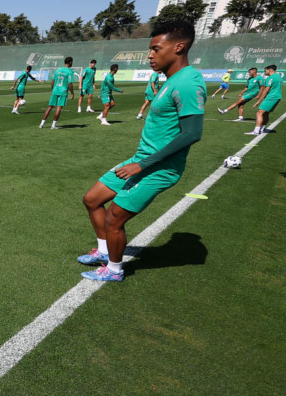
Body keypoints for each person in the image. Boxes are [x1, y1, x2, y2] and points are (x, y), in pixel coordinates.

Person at [78, 19, 206, 282]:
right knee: (92, 199)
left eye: (156, 49)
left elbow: (192, 133)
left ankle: (114, 270)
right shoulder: (170, 80)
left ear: (179, 47)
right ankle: (104, 252)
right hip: (141, 160)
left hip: (158, 168)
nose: (150, 55)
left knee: (114, 218)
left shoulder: (188, 82)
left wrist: (143, 165)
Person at [39, 57, 75, 129]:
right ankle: (53, 125)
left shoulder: (57, 70)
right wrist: (72, 93)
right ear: (70, 62)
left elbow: (52, 82)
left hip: (55, 90)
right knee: (58, 108)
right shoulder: (70, 72)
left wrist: (53, 89)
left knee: (49, 107)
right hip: (63, 91)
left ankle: (41, 124)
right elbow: (70, 84)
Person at [247, 65, 282, 135]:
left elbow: (266, 90)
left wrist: (259, 101)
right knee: (265, 113)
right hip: (277, 96)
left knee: (259, 113)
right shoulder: (278, 77)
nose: (265, 72)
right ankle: (261, 129)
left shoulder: (270, 78)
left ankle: (256, 131)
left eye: (265, 70)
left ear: (270, 70)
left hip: (271, 97)